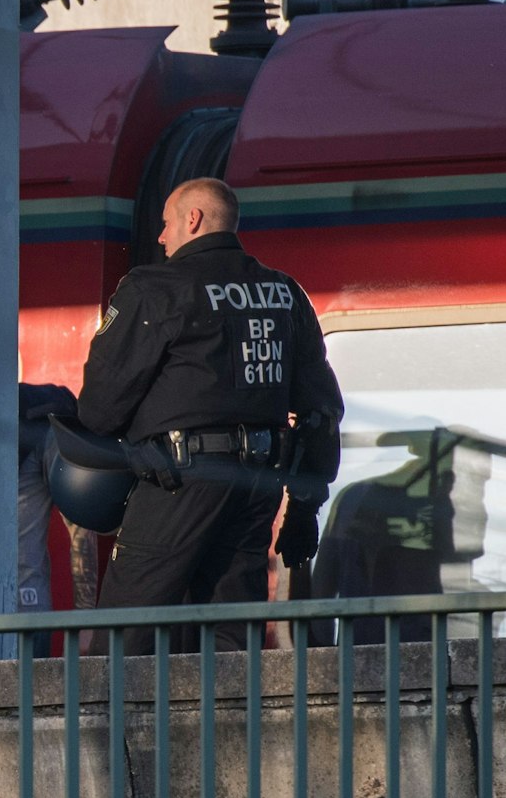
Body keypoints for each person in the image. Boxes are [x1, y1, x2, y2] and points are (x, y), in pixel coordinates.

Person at [78, 176, 343, 654]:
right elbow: (320, 412)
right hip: (255, 487)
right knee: (230, 640)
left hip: (178, 484)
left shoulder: (156, 289)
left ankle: (110, 731)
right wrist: (303, 508)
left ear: (193, 220)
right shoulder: (283, 293)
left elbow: (100, 408)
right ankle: (229, 731)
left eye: (165, 224)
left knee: (123, 637)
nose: (160, 237)